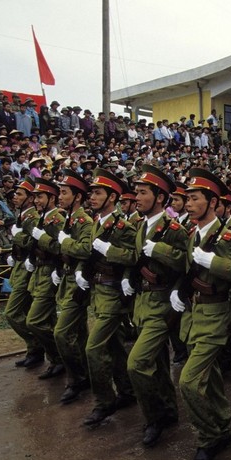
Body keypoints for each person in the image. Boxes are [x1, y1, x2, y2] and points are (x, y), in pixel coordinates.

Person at [169, 168, 231, 460]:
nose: (187, 203)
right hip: (194, 314)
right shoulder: (193, 233)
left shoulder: (228, 237)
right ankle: (223, 425)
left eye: (194, 199)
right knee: (211, 376)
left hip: (216, 316)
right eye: (186, 198)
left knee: (189, 382)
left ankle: (209, 439)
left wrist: (214, 262)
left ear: (213, 203)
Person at [122, 165, 187, 447]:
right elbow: (135, 260)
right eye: (136, 191)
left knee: (136, 364)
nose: (137, 196)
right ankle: (169, 411)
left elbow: (188, 262)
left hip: (162, 305)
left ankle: (154, 418)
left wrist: (159, 250)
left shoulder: (174, 230)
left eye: (143, 192)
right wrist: (127, 277)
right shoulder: (140, 225)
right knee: (158, 364)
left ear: (160, 198)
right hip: (142, 303)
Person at [77, 168, 137, 427]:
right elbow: (88, 255)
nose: (91, 197)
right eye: (91, 193)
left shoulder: (123, 226)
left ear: (112, 197)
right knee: (113, 346)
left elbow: (135, 257)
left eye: (97, 193)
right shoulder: (96, 222)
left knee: (94, 347)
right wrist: (81, 271)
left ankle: (104, 401)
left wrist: (110, 250)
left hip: (114, 294)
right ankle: (127, 391)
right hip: (97, 293)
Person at [52, 170, 93, 404]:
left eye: (64, 192)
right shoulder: (67, 218)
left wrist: (65, 243)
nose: (60, 196)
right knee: (78, 332)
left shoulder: (83, 221)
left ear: (77, 197)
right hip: (67, 279)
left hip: (79, 283)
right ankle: (86, 373)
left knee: (61, 332)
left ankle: (76, 379)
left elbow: (86, 250)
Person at [25, 179, 66, 381]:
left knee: (34, 321)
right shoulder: (41, 218)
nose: (36, 201)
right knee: (48, 319)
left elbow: (60, 248)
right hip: (39, 272)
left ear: (52, 197)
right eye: (35, 197)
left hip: (50, 272)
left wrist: (58, 269)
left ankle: (62, 356)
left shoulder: (57, 219)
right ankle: (56, 360)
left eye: (40, 197)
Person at [7, 178, 44, 368]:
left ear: (30, 199)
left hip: (29, 270)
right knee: (27, 312)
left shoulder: (32, 218)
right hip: (20, 267)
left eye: (20, 194)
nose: (15, 197)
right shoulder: (22, 215)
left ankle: (39, 344)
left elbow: (35, 242)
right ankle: (35, 350)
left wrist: (17, 236)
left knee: (12, 313)